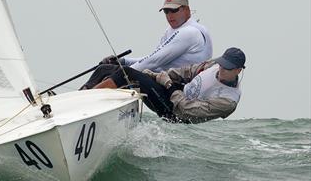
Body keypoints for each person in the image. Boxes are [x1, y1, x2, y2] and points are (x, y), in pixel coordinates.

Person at [81, 0, 212, 89]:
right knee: (105, 68)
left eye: (173, 10)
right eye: (166, 11)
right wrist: (122, 61)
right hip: (165, 79)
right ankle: (81, 97)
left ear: (187, 10)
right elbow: (154, 59)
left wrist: (124, 70)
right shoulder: (176, 30)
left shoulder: (189, 33)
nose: (169, 15)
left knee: (124, 73)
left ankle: (84, 100)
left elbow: (154, 61)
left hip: (177, 87)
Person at [91, 48, 246, 124]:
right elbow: (188, 71)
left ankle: (89, 104)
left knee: (126, 73)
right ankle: (78, 99)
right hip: (174, 91)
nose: (221, 69)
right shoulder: (215, 64)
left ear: (238, 70)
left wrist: (169, 85)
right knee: (108, 69)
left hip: (174, 113)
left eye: (227, 68)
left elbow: (186, 110)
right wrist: (162, 75)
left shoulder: (228, 101)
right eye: (222, 64)